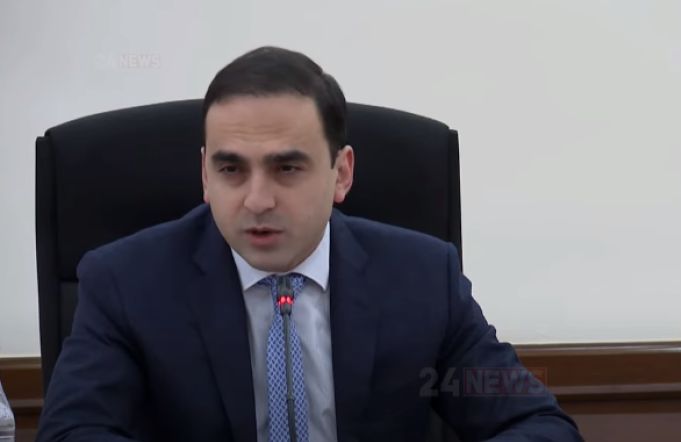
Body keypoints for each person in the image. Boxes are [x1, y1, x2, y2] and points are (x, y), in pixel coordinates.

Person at [37, 46, 582, 442]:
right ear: (205, 174)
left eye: (287, 168)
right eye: (231, 169)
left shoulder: (421, 279)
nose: (256, 200)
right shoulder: (127, 283)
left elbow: (535, 423)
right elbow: (73, 432)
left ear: (341, 173)